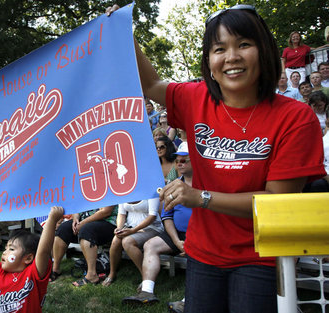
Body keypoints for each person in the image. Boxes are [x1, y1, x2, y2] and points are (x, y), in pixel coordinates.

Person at [107, 4, 325, 312]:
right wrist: (123, 34)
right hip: (203, 254)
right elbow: (151, 85)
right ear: (209, 62)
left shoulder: (296, 117)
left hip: (260, 257)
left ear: (263, 51)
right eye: (219, 48)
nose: (232, 57)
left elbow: (277, 200)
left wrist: (201, 197)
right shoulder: (196, 98)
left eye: (244, 45)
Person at [122, 142, 193, 305]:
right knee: (150, 245)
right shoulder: (172, 186)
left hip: (200, 235)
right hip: (176, 233)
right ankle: (146, 291)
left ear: (195, 161)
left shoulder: (205, 187)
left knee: (200, 252)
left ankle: (188, 299)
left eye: (184, 160)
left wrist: (190, 241)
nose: (179, 164)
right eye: (177, 161)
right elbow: (167, 217)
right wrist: (176, 241)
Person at [0, 206, 64, 313]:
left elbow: (44, 251)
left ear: (28, 258)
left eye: (11, 249)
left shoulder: (33, 274)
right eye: (5, 248)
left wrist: (51, 220)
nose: (4, 252)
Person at [101, 197, 162, 287]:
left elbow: (152, 216)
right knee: (116, 240)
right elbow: (121, 214)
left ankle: (146, 278)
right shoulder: (125, 191)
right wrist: (119, 228)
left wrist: (134, 230)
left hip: (151, 228)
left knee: (127, 242)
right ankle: (112, 273)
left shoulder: (150, 191)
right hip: (130, 226)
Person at [51, 205, 117, 286]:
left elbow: (106, 212)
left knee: (86, 230)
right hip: (84, 222)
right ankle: (56, 268)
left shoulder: (108, 192)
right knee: (63, 229)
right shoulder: (83, 191)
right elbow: (76, 207)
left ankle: (92, 275)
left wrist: (82, 223)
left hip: (107, 222)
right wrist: (75, 219)